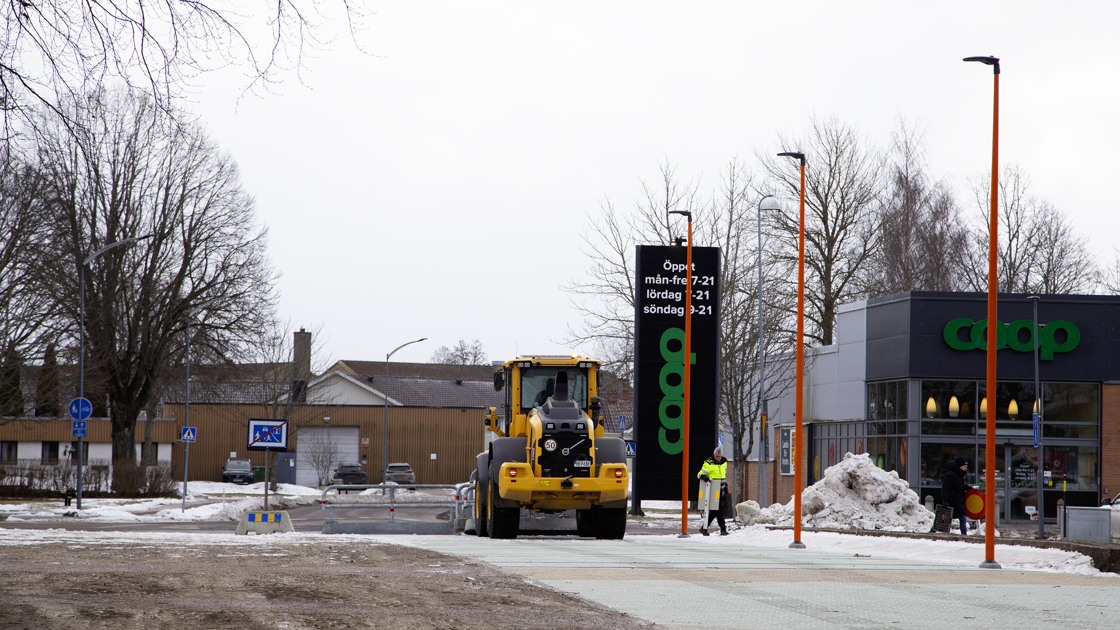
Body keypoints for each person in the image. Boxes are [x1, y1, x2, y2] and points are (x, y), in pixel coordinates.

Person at [696, 446, 730, 536]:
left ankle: (704, 528)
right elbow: (700, 474)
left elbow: (723, 474)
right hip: (713, 488)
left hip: (722, 488)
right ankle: (723, 529)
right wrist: (704, 477)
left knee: (717, 510)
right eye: (716, 456)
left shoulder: (724, 462)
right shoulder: (708, 462)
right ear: (714, 455)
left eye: (719, 456)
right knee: (717, 509)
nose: (718, 458)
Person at [941, 456, 971, 535]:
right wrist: (945, 501)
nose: (966, 468)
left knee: (961, 518)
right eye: (964, 466)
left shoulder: (959, 475)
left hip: (958, 502)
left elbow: (959, 487)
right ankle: (963, 535)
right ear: (959, 466)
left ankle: (963, 535)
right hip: (952, 502)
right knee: (947, 518)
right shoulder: (952, 475)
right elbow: (945, 489)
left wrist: (968, 488)